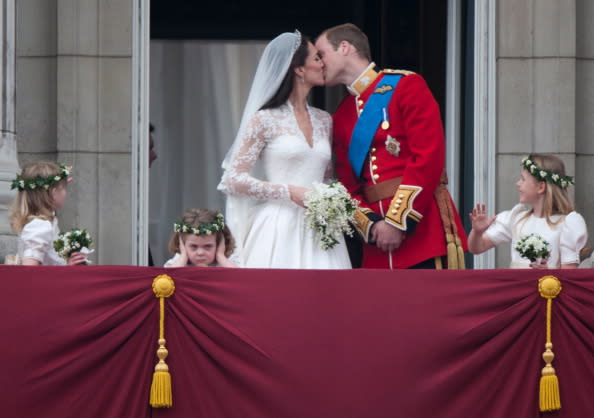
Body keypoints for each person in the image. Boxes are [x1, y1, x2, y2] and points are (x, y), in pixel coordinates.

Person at [315, 23, 467, 269]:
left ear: (344, 48)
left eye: (322, 54)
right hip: (376, 243)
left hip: (422, 231)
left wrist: (397, 222)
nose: (319, 63)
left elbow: (428, 157)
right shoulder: (341, 115)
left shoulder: (406, 86)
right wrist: (373, 225)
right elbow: (347, 186)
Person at [218, 30, 351, 269]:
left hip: (320, 229)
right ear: (299, 69)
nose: (323, 64)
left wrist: (333, 200)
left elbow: (327, 179)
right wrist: (288, 191)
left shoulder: (324, 120)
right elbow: (233, 179)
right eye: (317, 58)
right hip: (278, 228)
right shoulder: (264, 120)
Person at [468, 154, 587, 268]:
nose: (518, 184)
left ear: (541, 187)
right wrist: (477, 232)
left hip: (548, 287)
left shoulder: (566, 224)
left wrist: (549, 273)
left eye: (523, 179)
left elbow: (569, 274)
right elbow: (476, 248)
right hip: (517, 288)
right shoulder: (516, 219)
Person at [9, 162, 87, 266]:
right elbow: (29, 270)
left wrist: (59, 186)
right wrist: (67, 268)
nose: (65, 193)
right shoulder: (40, 225)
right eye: (64, 189)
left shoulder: (41, 222)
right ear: (54, 193)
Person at [164, 208, 236, 267]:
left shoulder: (226, 263)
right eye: (194, 246)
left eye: (208, 246)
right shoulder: (178, 262)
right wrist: (183, 257)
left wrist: (220, 257)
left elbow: (241, 278)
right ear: (182, 245)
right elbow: (167, 278)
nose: (200, 253)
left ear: (219, 244)